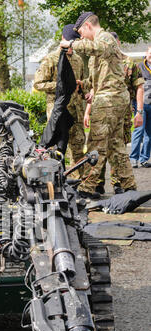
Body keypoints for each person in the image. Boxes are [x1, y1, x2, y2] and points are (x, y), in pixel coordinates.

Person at [60, 12, 137, 199]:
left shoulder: (105, 39)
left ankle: (88, 187)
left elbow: (96, 48)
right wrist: (82, 84)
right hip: (112, 99)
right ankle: (128, 185)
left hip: (109, 101)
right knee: (116, 145)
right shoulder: (101, 48)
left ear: (87, 26)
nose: (81, 37)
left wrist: (71, 43)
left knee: (96, 143)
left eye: (81, 33)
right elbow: (99, 79)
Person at [83, 31, 144, 194]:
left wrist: (139, 112)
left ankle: (119, 183)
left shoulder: (129, 62)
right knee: (103, 144)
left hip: (122, 113)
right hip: (102, 107)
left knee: (116, 146)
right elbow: (94, 87)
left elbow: (139, 87)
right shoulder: (99, 61)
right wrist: (87, 111)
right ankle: (97, 184)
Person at [33, 24, 87, 182]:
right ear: (63, 39)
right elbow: (38, 83)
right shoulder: (51, 59)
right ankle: (54, 181)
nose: (72, 46)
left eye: (75, 42)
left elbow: (80, 83)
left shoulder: (78, 59)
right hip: (58, 110)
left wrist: (83, 88)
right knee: (57, 147)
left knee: (78, 145)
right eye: (70, 41)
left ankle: (78, 181)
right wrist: (60, 86)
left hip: (76, 110)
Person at [129, 46, 151, 168]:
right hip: (141, 104)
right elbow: (134, 86)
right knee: (139, 131)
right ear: (146, 53)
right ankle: (133, 158)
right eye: (150, 53)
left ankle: (144, 159)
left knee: (149, 134)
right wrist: (133, 104)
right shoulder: (139, 67)